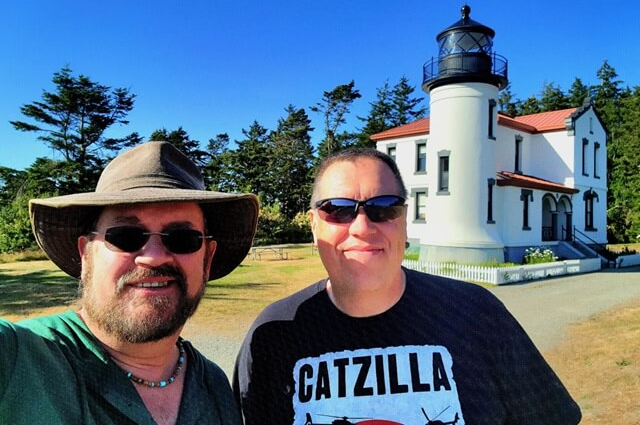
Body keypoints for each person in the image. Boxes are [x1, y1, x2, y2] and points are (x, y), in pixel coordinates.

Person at [234, 147, 581, 424]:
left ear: (404, 220)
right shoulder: (272, 335)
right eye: (337, 209)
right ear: (313, 226)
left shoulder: (477, 314)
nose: (361, 227)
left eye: (383, 208)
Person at [0, 141, 259, 425]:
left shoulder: (214, 386)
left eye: (184, 239)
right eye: (125, 235)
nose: (154, 257)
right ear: (86, 254)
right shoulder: (18, 358)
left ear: (207, 260)